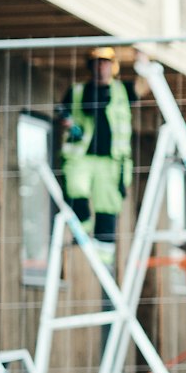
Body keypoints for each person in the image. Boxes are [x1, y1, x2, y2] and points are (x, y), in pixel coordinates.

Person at [57, 47, 133, 268]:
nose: (101, 67)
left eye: (105, 63)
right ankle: (83, 226)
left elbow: (141, 88)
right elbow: (63, 111)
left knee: (107, 205)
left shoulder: (122, 90)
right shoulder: (78, 91)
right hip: (82, 155)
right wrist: (68, 122)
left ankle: (104, 260)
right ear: (91, 66)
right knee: (74, 188)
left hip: (111, 159)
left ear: (112, 66)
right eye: (97, 63)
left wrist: (145, 64)